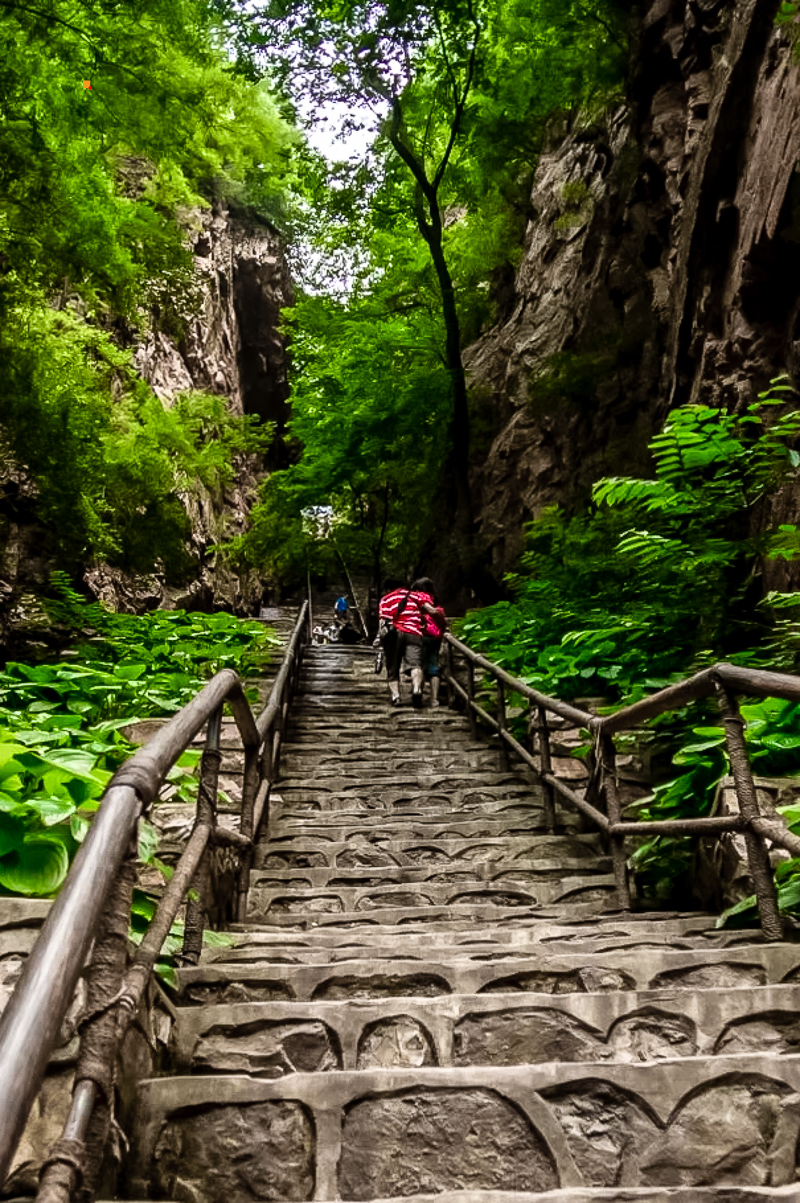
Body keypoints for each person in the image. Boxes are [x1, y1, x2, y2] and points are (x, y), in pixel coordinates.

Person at [411, 576, 447, 708]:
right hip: (435, 637)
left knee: (419, 665)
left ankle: (418, 691)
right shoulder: (436, 603)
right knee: (433, 667)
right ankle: (434, 699)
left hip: (420, 635)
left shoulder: (416, 600)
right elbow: (442, 621)